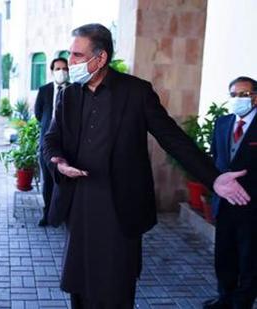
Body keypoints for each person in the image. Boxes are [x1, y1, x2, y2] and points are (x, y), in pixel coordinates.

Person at [42, 23, 251, 308]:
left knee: (115, 289)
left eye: (77, 55)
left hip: (119, 209)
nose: (71, 62)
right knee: (79, 285)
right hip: (79, 204)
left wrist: (213, 178)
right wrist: (58, 162)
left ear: (100, 58)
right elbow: (51, 139)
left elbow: (172, 138)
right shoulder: (68, 95)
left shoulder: (136, 93)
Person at [203, 76, 257, 309]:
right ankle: (224, 298)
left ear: (255, 97)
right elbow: (217, 159)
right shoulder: (223, 122)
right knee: (224, 256)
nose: (237, 99)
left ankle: (242, 303)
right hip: (224, 204)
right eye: (233, 95)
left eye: (243, 95)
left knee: (249, 259)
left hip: (252, 206)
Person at [34, 57, 70, 227]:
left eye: (64, 68)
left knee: (65, 183)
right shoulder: (44, 90)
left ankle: (65, 215)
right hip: (46, 145)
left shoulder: (75, 91)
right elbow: (38, 114)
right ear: (52, 71)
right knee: (47, 182)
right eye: (57, 68)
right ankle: (47, 214)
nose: (61, 71)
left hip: (68, 146)